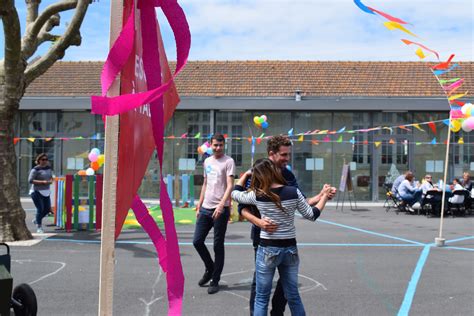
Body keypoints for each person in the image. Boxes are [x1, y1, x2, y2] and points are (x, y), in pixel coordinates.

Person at [238, 135, 336, 316]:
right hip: (263, 238)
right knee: (259, 286)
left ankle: (277, 312)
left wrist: (322, 195)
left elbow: (301, 202)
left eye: (288, 154)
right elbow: (242, 207)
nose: (287, 159)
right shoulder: (258, 173)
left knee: (284, 287)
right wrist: (259, 222)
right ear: (271, 154)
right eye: (283, 155)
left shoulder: (288, 175)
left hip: (280, 242)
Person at [193, 133, 236, 294]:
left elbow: (230, 185)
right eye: (215, 145)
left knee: (217, 245)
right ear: (210, 145)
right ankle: (210, 268)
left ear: (224, 145)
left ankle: (215, 279)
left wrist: (221, 205)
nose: (218, 148)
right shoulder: (207, 161)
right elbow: (205, 183)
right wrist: (199, 203)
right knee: (197, 241)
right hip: (205, 207)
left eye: (220, 145)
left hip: (221, 209)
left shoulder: (229, 161)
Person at [28, 153, 53, 233]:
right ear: (38, 161)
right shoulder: (35, 169)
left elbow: (50, 177)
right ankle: (39, 227)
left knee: (47, 209)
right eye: (43, 160)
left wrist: (51, 180)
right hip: (36, 191)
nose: (45, 161)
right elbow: (30, 180)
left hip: (46, 191)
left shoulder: (48, 168)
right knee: (40, 208)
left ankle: (37, 219)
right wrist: (42, 182)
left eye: (46, 159)